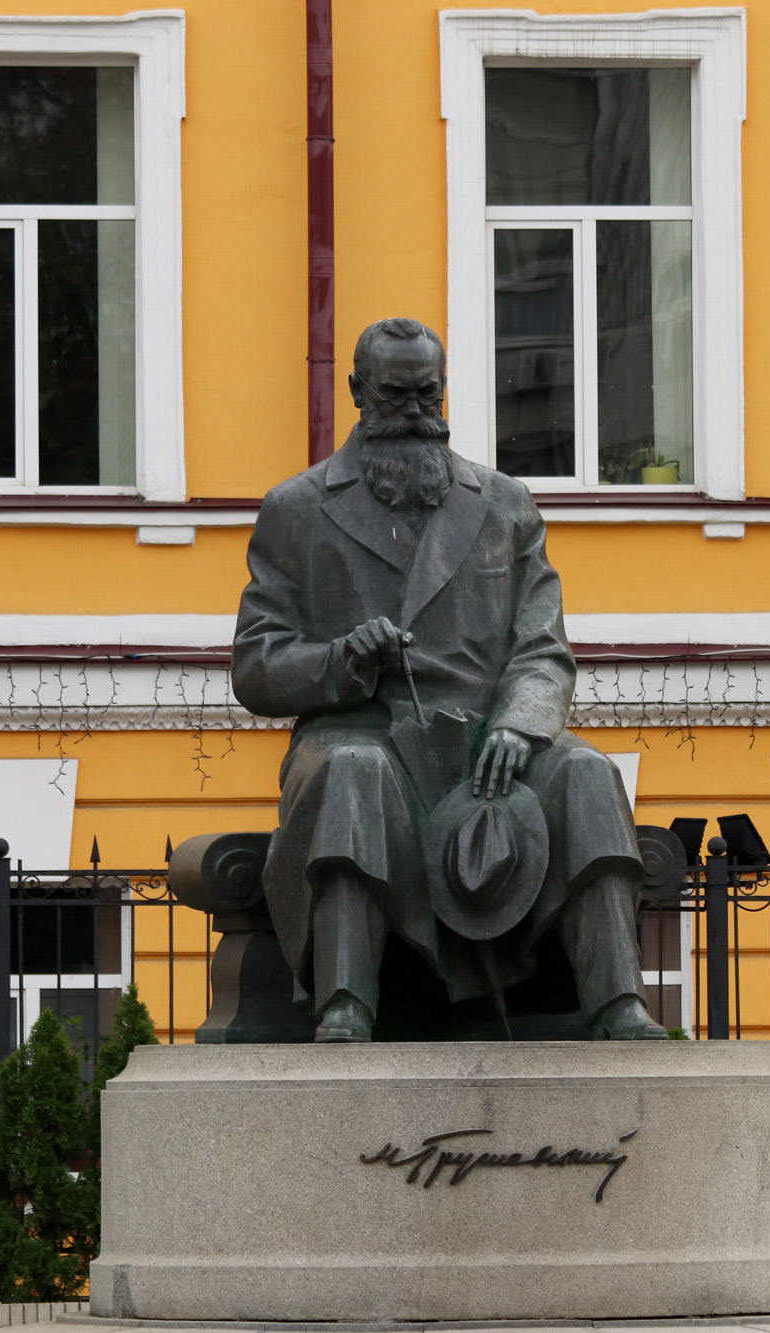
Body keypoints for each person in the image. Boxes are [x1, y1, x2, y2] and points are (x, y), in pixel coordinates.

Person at [232, 317, 666, 1042]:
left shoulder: (504, 503)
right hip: (362, 731)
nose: (413, 412)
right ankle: (346, 1002)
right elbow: (255, 664)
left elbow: (544, 647)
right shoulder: (298, 510)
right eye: (395, 395)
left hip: (490, 745)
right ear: (357, 392)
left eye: (426, 394)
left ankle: (617, 1001)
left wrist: (520, 723)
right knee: (354, 772)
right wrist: (342, 660)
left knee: (589, 772)